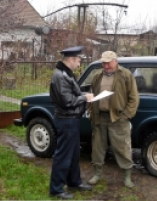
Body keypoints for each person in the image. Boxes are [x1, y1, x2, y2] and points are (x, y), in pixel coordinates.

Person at [87, 51, 139, 187]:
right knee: (97, 147)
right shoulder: (97, 76)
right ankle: (97, 174)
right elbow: (92, 95)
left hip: (118, 118)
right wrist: (91, 111)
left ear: (115, 61)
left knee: (123, 147)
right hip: (100, 117)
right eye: (103, 62)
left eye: (108, 62)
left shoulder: (126, 75)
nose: (106, 65)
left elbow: (134, 98)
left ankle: (127, 177)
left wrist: (127, 114)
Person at [49, 45, 94, 200]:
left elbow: (71, 94)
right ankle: (56, 189)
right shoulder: (60, 76)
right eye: (78, 60)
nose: (79, 63)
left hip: (72, 120)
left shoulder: (66, 74)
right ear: (71, 59)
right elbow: (67, 101)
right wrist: (85, 98)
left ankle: (74, 182)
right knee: (63, 155)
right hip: (66, 120)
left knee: (74, 154)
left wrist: (83, 94)